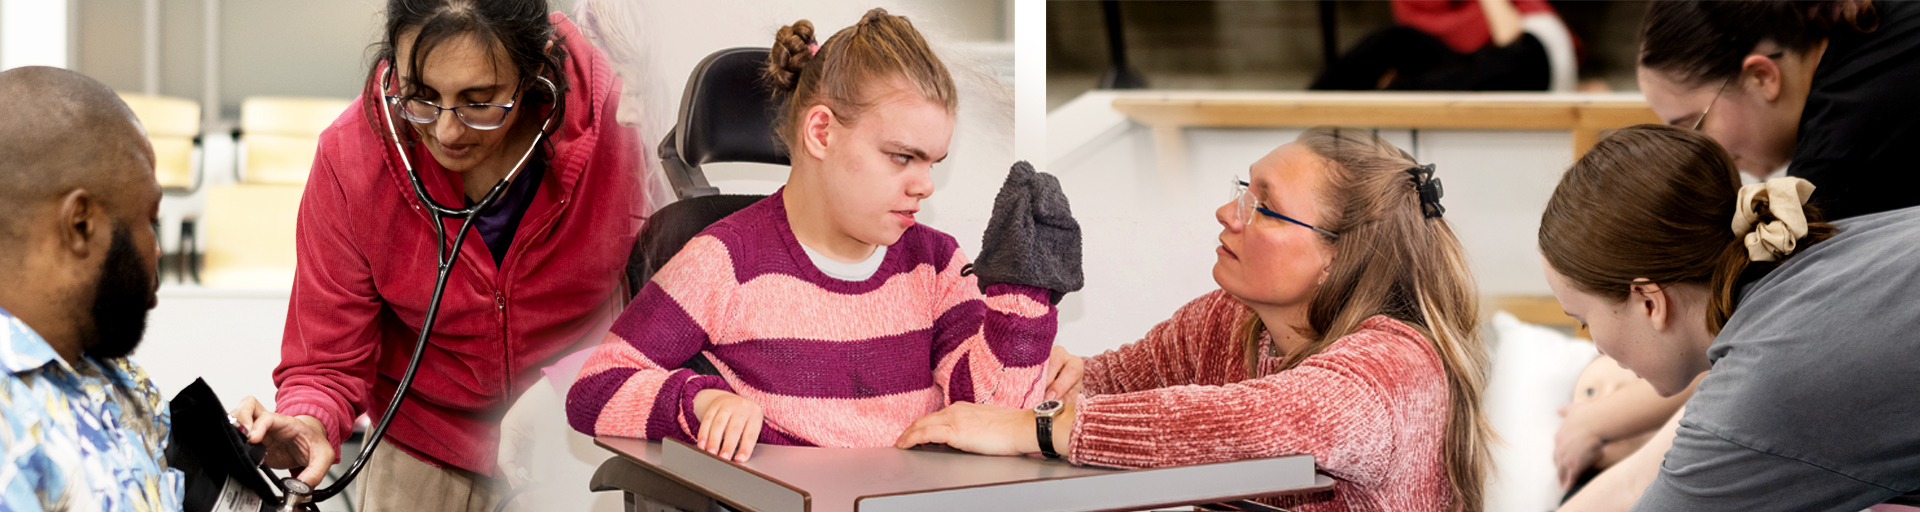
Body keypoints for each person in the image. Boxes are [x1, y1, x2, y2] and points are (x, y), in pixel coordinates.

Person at [565, 8, 1078, 463]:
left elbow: (991, 413)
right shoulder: (724, 261)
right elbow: (594, 389)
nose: (924, 185)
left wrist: (1023, 301)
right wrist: (702, 402)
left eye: (932, 162)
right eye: (902, 156)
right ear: (821, 132)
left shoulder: (936, 263)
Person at [898, 127, 1492, 512]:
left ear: (1338, 256)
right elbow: (1112, 382)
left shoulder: (1398, 366)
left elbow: (1263, 422)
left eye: (1264, 206)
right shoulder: (1230, 321)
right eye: (1242, 190)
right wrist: (1042, 369)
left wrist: (1040, 429)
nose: (1227, 213)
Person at [226, 0, 651, 510]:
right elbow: (326, 362)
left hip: (572, 428)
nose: (446, 132)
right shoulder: (350, 160)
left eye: (479, 100)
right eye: (421, 97)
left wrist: (572, 381)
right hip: (424, 443)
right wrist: (308, 419)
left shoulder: (624, 120)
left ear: (538, 69)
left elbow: (671, 317)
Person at [1539, 124, 1920, 510]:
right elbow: (1641, 477)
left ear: (1650, 302)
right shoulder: (1811, 267)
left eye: (1584, 321)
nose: (1597, 347)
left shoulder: (1761, 385)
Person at [0, 66, 178, 511]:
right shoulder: (9, 427)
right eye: (149, 220)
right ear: (80, 224)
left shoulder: (116, 378)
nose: (156, 251)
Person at [1638, 0, 1920, 220]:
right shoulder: (1877, 21)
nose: (1695, 153)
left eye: (1692, 126)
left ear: (1761, 76)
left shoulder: (1835, 163)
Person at [1311, 0, 1575, 92]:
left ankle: (1388, 97)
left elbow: (1509, 37)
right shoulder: (1421, 9)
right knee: (1395, 40)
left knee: (1406, 90)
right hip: (1490, 62)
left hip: (1533, 52)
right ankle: (1305, 105)